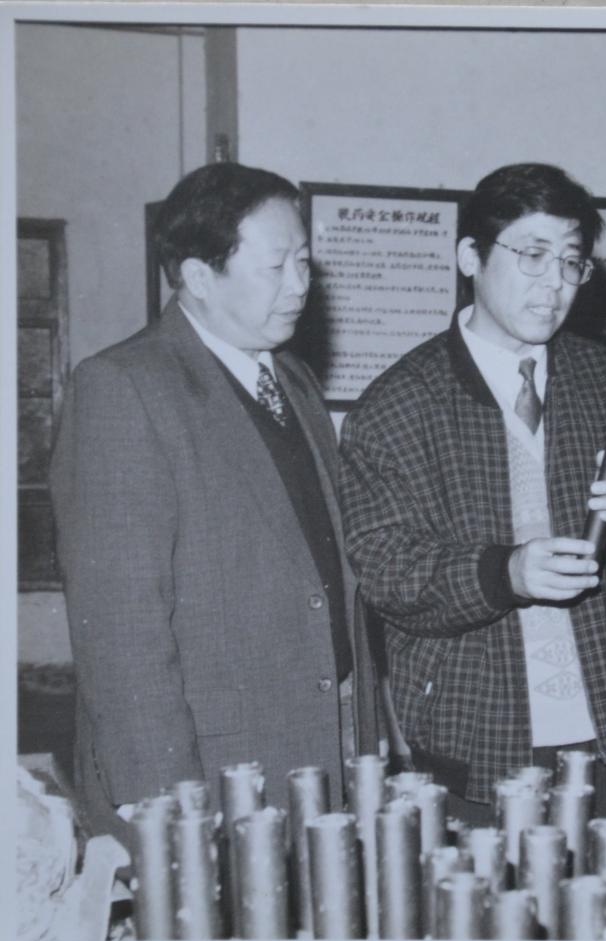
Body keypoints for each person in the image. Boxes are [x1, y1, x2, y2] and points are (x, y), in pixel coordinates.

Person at [338, 163, 606, 821]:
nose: (555, 284)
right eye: (533, 256)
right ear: (469, 256)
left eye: (572, 262)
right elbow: (387, 572)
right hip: (473, 741)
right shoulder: (398, 404)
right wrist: (506, 572)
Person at [50, 162, 380, 838]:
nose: (300, 285)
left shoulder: (293, 378)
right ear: (199, 277)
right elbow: (120, 628)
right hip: (211, 769)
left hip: (326, 741)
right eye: (276, 266)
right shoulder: (124, 387)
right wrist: (167, 802)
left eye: (304, 263)